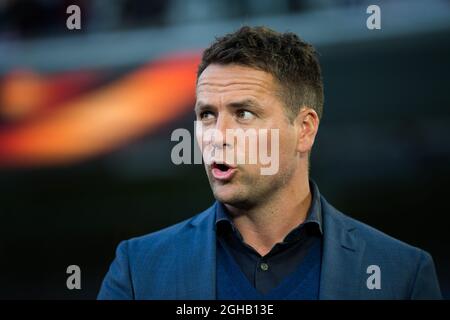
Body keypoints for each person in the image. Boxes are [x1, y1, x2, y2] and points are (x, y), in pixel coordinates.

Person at [97, 26, 442, 300]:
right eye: (206, 115)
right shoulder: (139, 271)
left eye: (243, 113)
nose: (219, 135)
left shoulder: (401, 274)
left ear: (304, 130)